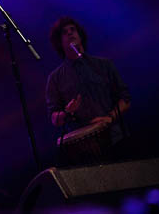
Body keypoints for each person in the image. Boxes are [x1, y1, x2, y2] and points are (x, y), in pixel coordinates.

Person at [45, 17, 131, 164]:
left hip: (115, 137)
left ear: (80, 35)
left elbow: (125, 99)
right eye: (65, 32)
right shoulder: (55, 78)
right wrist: (67, 112)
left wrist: (109, 117)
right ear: (60, 42)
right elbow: (54, 118)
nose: (70, 33)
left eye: (73, 30)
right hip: (83, 150)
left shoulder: (103, 65)